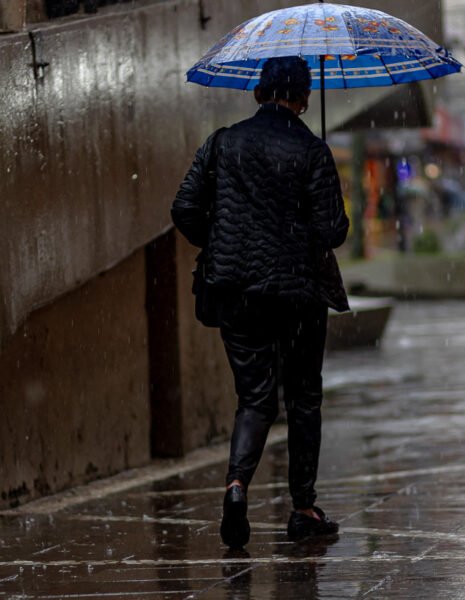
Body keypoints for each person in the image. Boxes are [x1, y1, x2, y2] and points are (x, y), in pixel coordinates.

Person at [171, 56, 350, 548]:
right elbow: (334, 230)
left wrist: (222, 243)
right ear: (304, 98)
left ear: (258, 93)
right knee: (303, 398)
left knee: (254, 398)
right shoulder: (313, 151)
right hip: (297, 295)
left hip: (236, 292)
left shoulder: (223, 142)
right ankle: (303, 507)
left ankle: (235, 486)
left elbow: (183, 206)